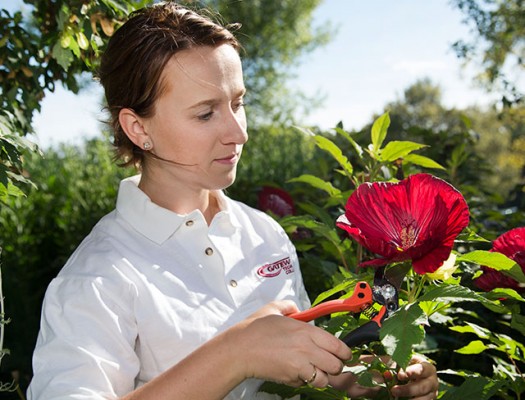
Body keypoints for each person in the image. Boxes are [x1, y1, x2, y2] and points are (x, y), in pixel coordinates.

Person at [27, 2, 439, 399]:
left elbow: (305, 372)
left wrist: (375, 380)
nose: (238, 133)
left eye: (238, 103)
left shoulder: (265, 233)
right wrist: (235, 354)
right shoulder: (96, 278)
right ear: (137, 128)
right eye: (205, 114)